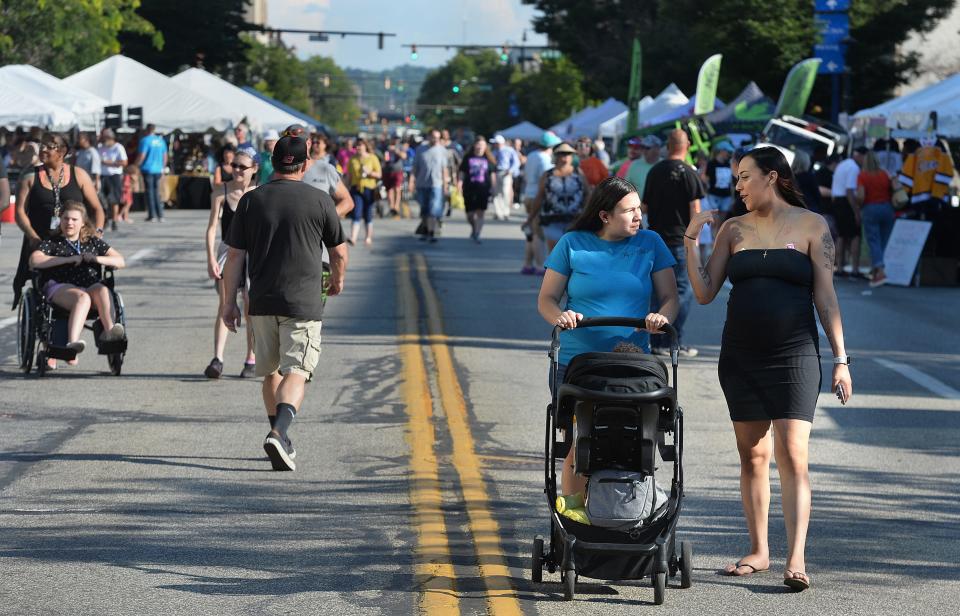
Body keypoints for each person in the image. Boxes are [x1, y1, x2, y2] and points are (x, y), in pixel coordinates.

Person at [683, 146, 852, 593]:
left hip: (795, 354)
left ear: (772, 177)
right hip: (741, 355)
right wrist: (689, 241)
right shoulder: (733, 230)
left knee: (793, 454)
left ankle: (795, 558)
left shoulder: (813, 225)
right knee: (752, 455)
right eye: (736, 179)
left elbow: (827, 297)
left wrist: (840, 359)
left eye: (744, 177)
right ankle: (759, 550)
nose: (737, 187)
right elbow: (703, 293)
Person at [537, 176, 680, 496]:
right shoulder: (572, 243)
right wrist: (561, 316)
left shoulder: (651, 242)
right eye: (629, 210)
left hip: (631, 361)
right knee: (581, 437)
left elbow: (671, 298)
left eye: (639, 208)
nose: (638, 216)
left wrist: (661, 317)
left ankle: (630, 506)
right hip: (577, 362)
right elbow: (546, 299)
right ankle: (574, 512)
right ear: (605, 215)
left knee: (629, 436)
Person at [220, 135, 349, 472]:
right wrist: (337, 281)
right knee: (298, 371)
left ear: (271, 162)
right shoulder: (319, 200)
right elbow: (339, 251)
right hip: (303, 301)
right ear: (305, 164)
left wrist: (228, 304)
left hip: (260, 300)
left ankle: (279, 436)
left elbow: (234, 258)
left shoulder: (250, 201)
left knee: (270, 371)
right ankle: (280, 431)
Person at [13, 133, 106, 310]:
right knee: (43, 280)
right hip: (42, 241)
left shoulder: (79, 175)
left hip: (75, 241)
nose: (43, 149)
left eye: (49, 146)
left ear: (62, 151)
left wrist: (97, 233)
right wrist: (33, 238)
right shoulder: (29, 176)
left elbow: (98, 209)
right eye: (42, 145)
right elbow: (19, 212)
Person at [28, 201, 126, 362]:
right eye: (66, 219)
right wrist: (66, 260)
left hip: (89, 285)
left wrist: (96, 258)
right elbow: (34, 260)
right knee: (83, 298)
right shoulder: (53, 241)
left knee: (102, 289)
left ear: (83, 223)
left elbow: (120, 261)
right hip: (60, 286)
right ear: (60, 220)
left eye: (74, 219)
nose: (69, 223)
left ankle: (109, 332)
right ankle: (72, 343)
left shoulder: (93, 242)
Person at [642, 129, 704, 357]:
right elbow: (695, 211)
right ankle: (673, 339)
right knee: (682, 291)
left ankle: (655, 340)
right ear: (687, 145)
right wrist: (694, 243)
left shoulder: (655, 171)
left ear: (668, 145)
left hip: (656, 239)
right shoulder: (689, 172)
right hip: (679, 241)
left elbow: (644, 207)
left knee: (657, 291)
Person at [204, 147, 259, 379]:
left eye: (242, 167)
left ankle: (251, 358)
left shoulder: (259, 193)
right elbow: (212, 228)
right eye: (234, 165)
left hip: (253, 253)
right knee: (225, 303)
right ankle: (218, 358)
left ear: (254, 169)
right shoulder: (221, 191)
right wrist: (210, 258)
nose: (236, 170)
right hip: (228, 250)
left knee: (249, 305)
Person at [527, 142, 590, 254]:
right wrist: (530, 218)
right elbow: (539, 197)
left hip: (574, 219)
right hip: (552, 219)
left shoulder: (578, 173)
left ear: (572, 157)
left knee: (572, 253)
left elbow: (587, 194)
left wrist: (589, 214)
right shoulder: (548, 175)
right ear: (556, 156)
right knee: (555, 254)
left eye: (568, 154)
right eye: (561, 154)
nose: (565, 156)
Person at [521, 132, 559, 273]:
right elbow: (546, 180)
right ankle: (539, 265)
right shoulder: (544, 159)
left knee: (531, 231)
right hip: (538, 196)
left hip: (528, 194)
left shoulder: (531, 155)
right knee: (539, 233)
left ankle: (527, 264)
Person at [856, 150, 896, 287]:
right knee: (882, 242)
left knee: (873, 240)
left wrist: (858, 205)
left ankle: (880, 271)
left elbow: (860, 196)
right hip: (887, 209)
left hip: (870, 208)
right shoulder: (885, 174)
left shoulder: (863, 176)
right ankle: (876, 272)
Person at [830, 147, 866, 278]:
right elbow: (850, 191)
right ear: (860, 156)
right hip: (846, 203)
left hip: (838, 202)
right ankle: (855, 269)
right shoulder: (854, 168)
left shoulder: (842, 165)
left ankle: (839, 267)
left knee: (841, 235)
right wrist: (856, 211)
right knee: (855, 235)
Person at [409, 128, 449, 243]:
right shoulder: (420, 150)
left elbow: (444, 169)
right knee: (424, 209)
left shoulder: (442, 151)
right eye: (433, 137)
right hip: (422, 184)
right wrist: (412, 181)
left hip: (436, 184)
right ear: (429, 137)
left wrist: (445, 185)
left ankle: (431, 232)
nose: (435, 140)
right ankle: (426, 229)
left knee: (433, 209)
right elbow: (415, 168)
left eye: (437, 138)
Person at [458, 136, 497, 243]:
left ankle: (477, 233)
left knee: (480, 212)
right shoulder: (468, 158)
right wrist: (459, 184)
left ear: (485, 147)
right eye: (478, 144)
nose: (480, 147)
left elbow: (492, 175)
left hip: (483, 189)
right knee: (470, 214)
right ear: (474, 145)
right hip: (469, 188)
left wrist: (494, 189)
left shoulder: (489, 159)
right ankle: (474, 227)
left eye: (483, 145)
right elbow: (462, 172)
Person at [346, 138, 382, 246]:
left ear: (365, 146)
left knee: (368, 213)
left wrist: (369, 172)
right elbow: (349, 176)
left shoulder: (372, 158)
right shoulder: (352, 159)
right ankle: (353, 237)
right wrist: (345, 189)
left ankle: (368, 237)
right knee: (356, 212)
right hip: (356, 188)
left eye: (360, 145)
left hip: (369, 189)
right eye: (356, 146)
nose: (357, 147)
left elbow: (379, 174)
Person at [135, 124, 167, 222]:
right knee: (156, 192)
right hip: (158, 169)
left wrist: (135, 166)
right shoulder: (161, 141)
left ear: (146, 130)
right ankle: (160, 215)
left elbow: (142, 155)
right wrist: (163, 168)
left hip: (148, 169)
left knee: (149, 192)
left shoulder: (145, 140)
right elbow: (165, 156)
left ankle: (152, 215)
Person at [98, 128, 128, 231]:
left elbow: (124, 162)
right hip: (102, 175)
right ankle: (106, 219)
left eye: (105, 138)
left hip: (114, 175)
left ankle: (114, 220)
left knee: (114, 200)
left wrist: (110, 163)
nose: (103, 140)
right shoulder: (100, 147)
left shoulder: (118, 147)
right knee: (102, 199)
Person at [491, 134, 520, 221]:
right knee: (496, 193)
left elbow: (516, 162)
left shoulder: (509, 150)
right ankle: (498, 212)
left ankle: (505, 211)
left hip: (506, 173)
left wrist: (511, 170)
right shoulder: (494, 152)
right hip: (496, 172)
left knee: (505, 192)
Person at [383, 138, 406, 217]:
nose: (395, 140)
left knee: (397, 188)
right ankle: (391, 207)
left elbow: (404, 156)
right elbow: (385, 159)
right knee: (389, 190)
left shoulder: (400, 147)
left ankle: (396, 207)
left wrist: (396, 151)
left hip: (398, 170)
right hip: (387, 171)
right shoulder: (386, 147)